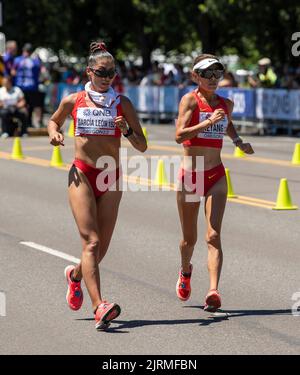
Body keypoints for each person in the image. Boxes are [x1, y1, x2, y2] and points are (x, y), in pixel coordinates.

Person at [47, 41, 147, 330]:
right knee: (90, 242)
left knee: (100, 247)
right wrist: (54, 134)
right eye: (102, 72)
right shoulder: (74, 100)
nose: (107, 78)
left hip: (111, 177)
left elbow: (141, 145)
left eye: (112, 73)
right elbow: (54, 122)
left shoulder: (122, 103)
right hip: (83, 174)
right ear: (89, 72)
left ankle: (75, 276)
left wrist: (126, 130)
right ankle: (99, 306)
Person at [175, 54, 254, 312]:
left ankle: (212, 290)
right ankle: (186, 271)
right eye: (207, 74)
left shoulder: (225, 103)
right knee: (189, 239)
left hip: (216, 174)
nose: (213, 79)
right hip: (191, 175)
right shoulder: (189, 100)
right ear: (195, 76)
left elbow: (227, 124)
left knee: (214, 235)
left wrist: (238, 141)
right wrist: (208, 122)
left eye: (217, 74)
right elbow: (179, 135)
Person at [11, 43, 42, 127]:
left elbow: (13, 72)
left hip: (26, 87)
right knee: (23, 106)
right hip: (24, 87)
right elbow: (39, 70)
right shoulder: (33, 61)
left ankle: (27, 123)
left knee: (29, 106)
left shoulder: (18, 60)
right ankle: (24, 123)